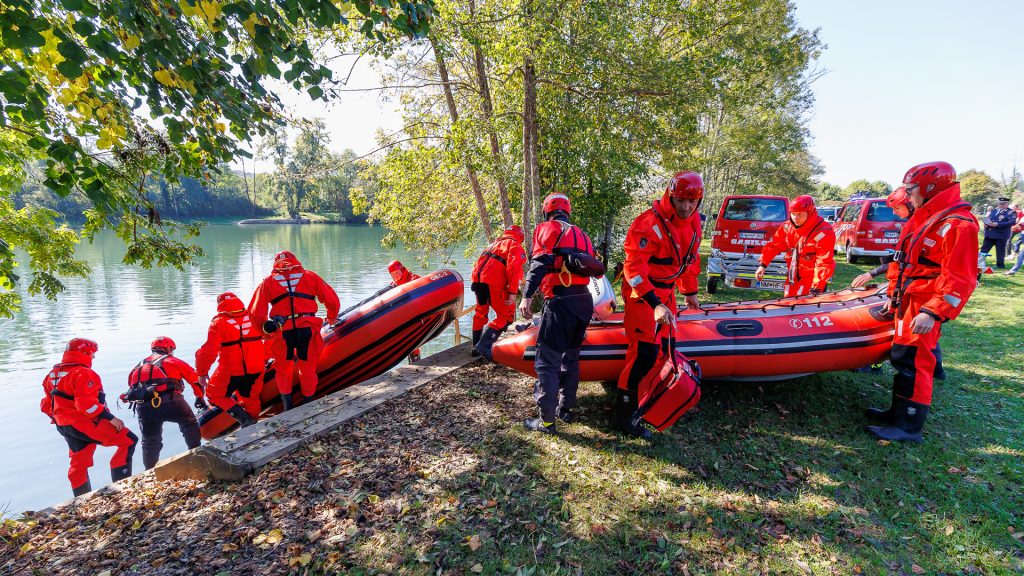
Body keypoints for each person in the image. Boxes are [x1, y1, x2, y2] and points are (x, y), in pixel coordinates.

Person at [866, 161, 979, 442]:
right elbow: (904, 263)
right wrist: (893, 298)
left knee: (916, 363)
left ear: (930, 187)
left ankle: (908, 426)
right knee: (903, 358)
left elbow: (960, 278)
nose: (908, 195)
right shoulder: (926, 217)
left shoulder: (957, 225)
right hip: (908, 300)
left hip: (923, 304)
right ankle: (897, 413)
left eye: (911, 189)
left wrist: (934, 312)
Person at [615, 171, 704, 439]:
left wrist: (689, 291)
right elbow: (634, 269)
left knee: (667, 348)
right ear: (671, 195)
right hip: (642, 294)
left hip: (667, 294)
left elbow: (689, 259)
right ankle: (623, 415)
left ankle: (653, 401)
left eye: (692, 202)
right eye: (681, 201)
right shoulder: (647, 224)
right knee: (643, 354)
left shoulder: (694, 221)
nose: (686, 207)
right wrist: (654, 303)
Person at [516, 192, 596, 434]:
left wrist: (527, 296)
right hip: (584, 300)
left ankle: (547, 422)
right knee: (571, 357)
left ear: (547, 211)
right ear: (567, 211)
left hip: (561, 301)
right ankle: (565, 408)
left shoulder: (546, 228)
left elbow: (540, 263)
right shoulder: (583, 235)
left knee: (547, 361)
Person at [40, 338, 138, 496]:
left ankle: (81, 499)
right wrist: (111, 418)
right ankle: (123, 488)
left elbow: (46, 404)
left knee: (79, 462)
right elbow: (86, 405)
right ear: (84, 353)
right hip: (84, 422)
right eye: (92, 354)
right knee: (128, 440)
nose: (93, 357)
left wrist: (61, 419)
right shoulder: (84, 373)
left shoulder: (53, 374)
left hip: (63, 424)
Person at [249, 250, 340, 411]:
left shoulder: (268, 282)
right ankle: (308, 405)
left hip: (283, 331)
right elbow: (331, 300)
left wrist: (265, 331)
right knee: (308, 368)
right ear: (295, 261)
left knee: (283, 370)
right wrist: (331, 318)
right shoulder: (310, 276)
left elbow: (255, 314)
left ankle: (288, 408)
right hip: (307, 328)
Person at [122, 337, 204, 470]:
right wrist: (199, 398)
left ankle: (150, 471)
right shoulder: (173, 361)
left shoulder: (137, 367)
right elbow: (195, 382)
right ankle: (196, 453)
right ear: (169, 349)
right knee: (189, 423)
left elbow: (133, 388)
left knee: (150, 442)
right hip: (172, 402)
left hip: (145, 408)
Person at [196, 292, 266, 427]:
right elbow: (269, 336)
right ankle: (253, 425)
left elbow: (207, 352)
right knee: (250, 397)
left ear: (219, 305)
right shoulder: (254, 316)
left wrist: (202, 373)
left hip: (231, 369)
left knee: (214, 394)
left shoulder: (218, 322)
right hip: (256, 366)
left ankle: (246, 421)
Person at [755, 195, 836, 297]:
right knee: (788, 306)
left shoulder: (823, 231)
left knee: (805, 310)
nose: (795, 218)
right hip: (792, 277)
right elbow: (773, 246)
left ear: (809, 212)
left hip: (811, 281)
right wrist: (763, 265)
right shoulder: (787, 227)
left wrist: (816, 287)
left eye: (800, 214)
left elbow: (824, 262)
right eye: (793, 214)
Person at [471, 225, 527, 359]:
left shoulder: (493, 244)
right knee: (506, 316)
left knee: (480, 312)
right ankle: (483, 346)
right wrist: (512, 292)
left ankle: (475, 348)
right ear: (521, 236)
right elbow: (513, 270)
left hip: (477, 281)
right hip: (493, 282)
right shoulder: (514, 245)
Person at [852, 187, 913, 288]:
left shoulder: (917, 227)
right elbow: (899, 259)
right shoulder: (909, 226)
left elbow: (904, 261)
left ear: (910, 205)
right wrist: (872, 273)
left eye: (897, 208)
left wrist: (872, 274)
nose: (894, 213)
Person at [980, 198, 1016, 269]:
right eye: (999, 203)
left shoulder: (1011, 212)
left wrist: (998, 224)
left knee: (1000, 251)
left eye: (1003, 204)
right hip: (989, 234)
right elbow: (990, 219)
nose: (1001, 205)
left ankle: (1000, 266)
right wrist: (986, 224)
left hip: (1001, 235)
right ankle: (979, 263)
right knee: (984, 250)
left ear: (1007, 204)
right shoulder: (994, 210)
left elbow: (1012, 222)